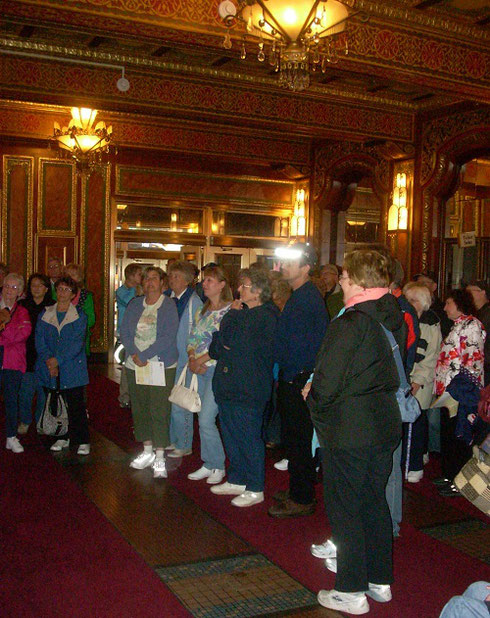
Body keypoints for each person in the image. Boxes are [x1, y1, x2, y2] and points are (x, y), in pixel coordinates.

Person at [307, 249, 404, 615]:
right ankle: (380, 580)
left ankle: (350, 590)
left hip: (352, 426)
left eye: (346, 275)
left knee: (345, 506)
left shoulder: (351, 321)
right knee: (373, 501)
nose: (341, 280)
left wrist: (312, 399)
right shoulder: (390, 314)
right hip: (382, 420)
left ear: (361, 282)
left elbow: (329, 380)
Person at [269, 242, 328, 518]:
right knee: (294, 441)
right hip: (292, 376)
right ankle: (297, 489)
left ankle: (303, 497)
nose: (284, 266)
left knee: (300, 441)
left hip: (298, 378)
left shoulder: (306, 298)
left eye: (292, 262)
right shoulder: (300, 295)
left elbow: (304, 347)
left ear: (306, 268)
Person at [209, 268, 277, 506]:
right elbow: (215, 349)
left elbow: (231, 342)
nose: (239, 290)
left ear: (258, 291)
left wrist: (229, 318)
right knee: (231, 435)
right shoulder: (244, 314)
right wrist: (226, 335)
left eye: (245, 286)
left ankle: (255, 487)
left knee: (248, 438)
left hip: (248, 387)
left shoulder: (265, 315)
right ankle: (237, 479)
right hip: (228, 386)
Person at [120, 266, 179, 478]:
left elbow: (168, 336)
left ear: (162, 283)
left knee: (160, 410)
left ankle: (160, 456)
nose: (150, 282)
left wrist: (146, 355)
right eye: (146, 279)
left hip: (160, 364)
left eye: (154, 278)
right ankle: (146, 451)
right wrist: (135, 353)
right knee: (140, 407)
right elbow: (125, 331)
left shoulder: (169, 305)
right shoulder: (135, 304)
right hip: (135, 363)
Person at [433, 288, 485, 496]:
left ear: (459, 303)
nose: (445, 308)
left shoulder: (472, 325)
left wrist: (459, 389)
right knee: (449, 435)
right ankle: (449, 474)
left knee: (460, 436)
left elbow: (473, 361)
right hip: (449, 390)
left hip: (461, 391)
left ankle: (459, 481)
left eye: (448, 303)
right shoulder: (459, 325)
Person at [183, 265, 232, 484]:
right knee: (203, 418)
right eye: (204, 280)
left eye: (210, 280)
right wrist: (192, 359)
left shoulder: (230, 311)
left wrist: (201, 361)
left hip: (216, 370)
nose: (205, 284)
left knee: (206, 419)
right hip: (199, 369)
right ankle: (209, 463)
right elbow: (192, 338)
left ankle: (218, 465)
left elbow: (224, 345)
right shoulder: (202, 309)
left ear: (222, 284)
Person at [35, 276, 90, 455]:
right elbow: (40, 340)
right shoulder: (45, 313)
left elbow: (76, 344)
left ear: (73, 294)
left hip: (72, 367)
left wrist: (58, 360)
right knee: (56, 403)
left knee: (75, 404)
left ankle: (82, 439)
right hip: (50, 367)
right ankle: (61, 436)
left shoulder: (79, 315)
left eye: (66, 289)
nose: (62, 292)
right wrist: (50, 360)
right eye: (59, 289)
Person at [402, 281, 442, 482]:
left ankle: (415, 464)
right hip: (404, 380)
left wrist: (417, 381)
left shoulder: (431, 323)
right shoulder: (405, 319)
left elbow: (431, 355)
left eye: (413, 300)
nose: (409, 303)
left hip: (421, 381)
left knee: (417, 422)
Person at [167, 260, 203, 457]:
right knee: (174, 400)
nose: (172, 280)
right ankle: (175, 439)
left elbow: (195, 333)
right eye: (171, 276)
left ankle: (184, 443)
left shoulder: (193, 302)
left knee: (183, 402)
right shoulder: (172, 298)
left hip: (186, 359)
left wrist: (191, 357)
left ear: (187, 280)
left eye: (176, 276)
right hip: (174, 357)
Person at [18, 274, 55, 434]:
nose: (37, 288)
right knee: (25, 393)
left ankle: (41, 421)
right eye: (33, 285)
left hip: (46, 354)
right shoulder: (22, 305)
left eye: (40, 285)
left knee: (43, 393)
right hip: (26, 354)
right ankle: (25, 420)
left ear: (46, 288)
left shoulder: (53, 306)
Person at [0, 273, 32, 453]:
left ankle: (11, 436)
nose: (9, 291)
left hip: (13, 362)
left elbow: (23, 335)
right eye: (6, 286)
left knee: (12, 400)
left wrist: (3, 332)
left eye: (14, 288)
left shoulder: (22, 312)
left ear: (20, 292)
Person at [116, 263, 143, 408]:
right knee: (127, 365)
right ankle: (125, 396)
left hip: (138, 331)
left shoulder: (138, 290)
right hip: (126, 332)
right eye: (139, 274)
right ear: (131, 276)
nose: (141, 277)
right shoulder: (122, 291)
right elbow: (130, 303)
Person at [64, 263, 96, 356]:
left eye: (73, 275)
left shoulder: (86, 295)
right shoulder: (57, 293)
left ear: (79, 278)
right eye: (67, 275)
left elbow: (90, 319)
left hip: (80, 337)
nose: (70, 278)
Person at [414, 271, 452, 338]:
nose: (420, 287)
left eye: (424, 284)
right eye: (418, 283)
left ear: (434, 287)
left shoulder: (442, 309)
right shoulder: (411, 306)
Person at [466, 280, 490, 386]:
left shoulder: (487, 314)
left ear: (483, 292)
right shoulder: (474, 313)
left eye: (470, 291)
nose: (467, 295)